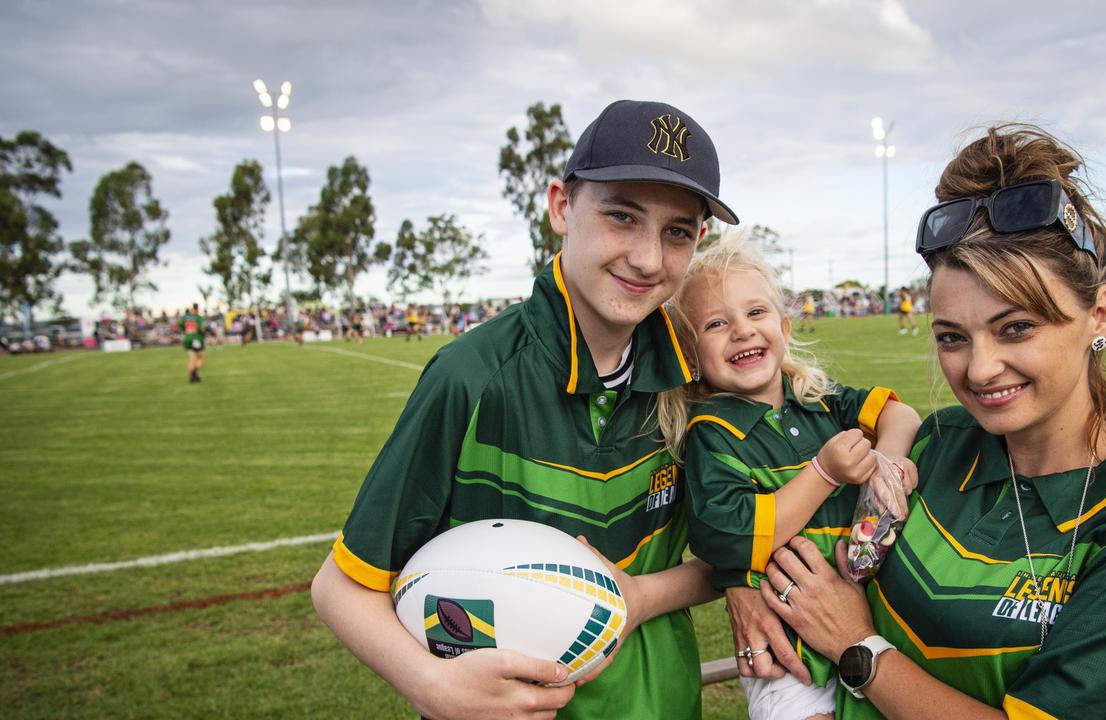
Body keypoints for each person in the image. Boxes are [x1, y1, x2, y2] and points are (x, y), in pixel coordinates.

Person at [749, 125, 1106, 719]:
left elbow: (840, 624)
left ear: (1098, 313)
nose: (980, 369)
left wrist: (858, 647)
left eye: (1015, 328)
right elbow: (781, 530)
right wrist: (743, 588)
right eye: (952, 337)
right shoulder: (937, 443)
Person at [311, 99, 738, 720]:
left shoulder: (697, 372)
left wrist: (644, 596)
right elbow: (340, 586)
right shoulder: (472, 377)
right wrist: (433, 686)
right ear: (562, 206)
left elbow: (737, 548)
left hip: (664, 702)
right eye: (622, 216)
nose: (648, 258)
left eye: (677, 231)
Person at [661, 240, 921, 720]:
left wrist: (886, 463)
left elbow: (900, 414)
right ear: (690, 355)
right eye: (716, 323)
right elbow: (735, 539)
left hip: (873, 623)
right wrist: (824, 473)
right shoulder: (713, 433)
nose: (741, 330)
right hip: (787, 652)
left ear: (782, 327)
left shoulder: (819, 398)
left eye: (755, 311)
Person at [180, 304, 205, 383]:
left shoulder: (186, 317)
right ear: (197, 309)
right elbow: (202, 329)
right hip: (196, 339)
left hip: (187, 338)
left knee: (192, 358)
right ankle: (194, 371)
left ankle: (191, 378)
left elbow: (181, 326)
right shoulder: (199, 317)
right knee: (201, 357)